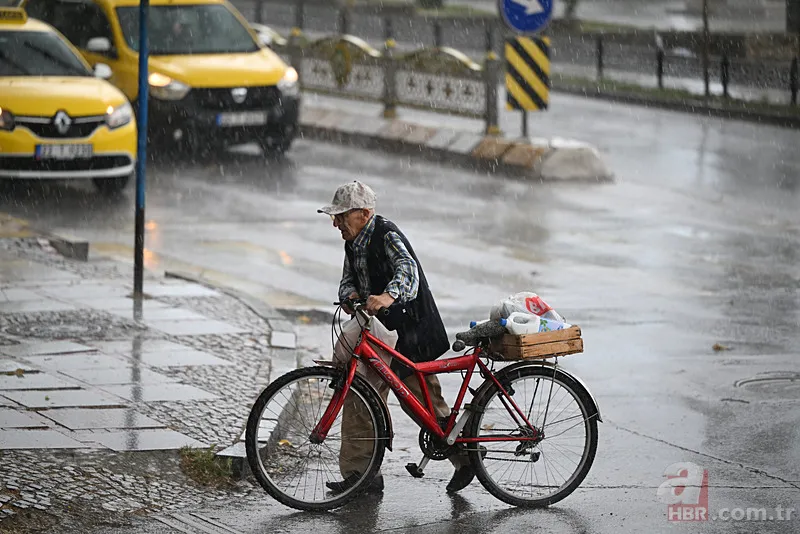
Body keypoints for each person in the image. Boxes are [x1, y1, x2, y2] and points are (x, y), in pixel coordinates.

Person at [318, 180, 476, 495]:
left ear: (364, 213)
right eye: (334, 217)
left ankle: (466, 457)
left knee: (421, 402)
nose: (335, 223)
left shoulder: (385, 234)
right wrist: (349, 294)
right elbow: (348, 278)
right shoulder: (352, 241)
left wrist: (389, 295)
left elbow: (408, 271)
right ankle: (361, 475)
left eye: (341, 216)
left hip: (411, 329)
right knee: (361, 395)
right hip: (376, 330)